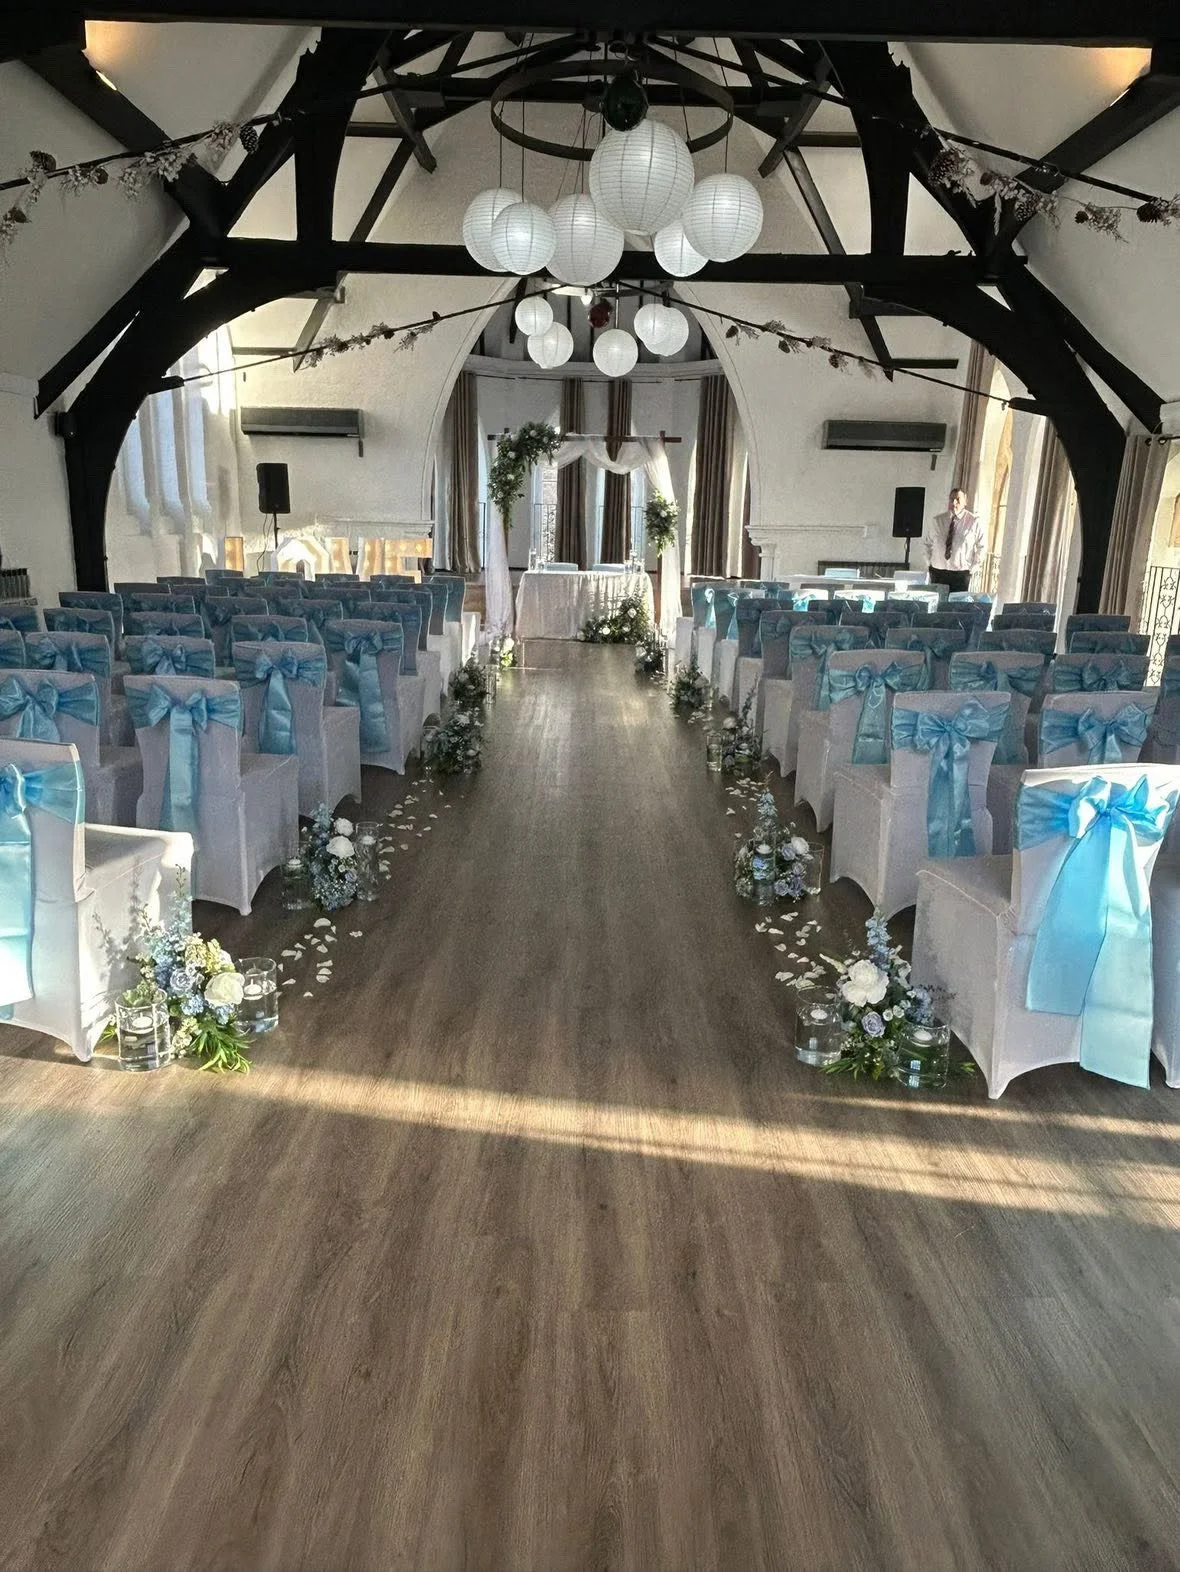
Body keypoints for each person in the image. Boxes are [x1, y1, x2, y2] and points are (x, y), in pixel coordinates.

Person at [924, 488, 984, 594]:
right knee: (938, 601)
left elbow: (982, 546)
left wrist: (973, 567)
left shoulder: (974, 522)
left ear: (965, 501)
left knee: (957, 603)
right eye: (951, 499)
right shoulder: (938, 521)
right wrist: (929, 563)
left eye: (957, 499)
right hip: (938, 572)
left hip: (961, 574)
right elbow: (927, 543)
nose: (954, 503)